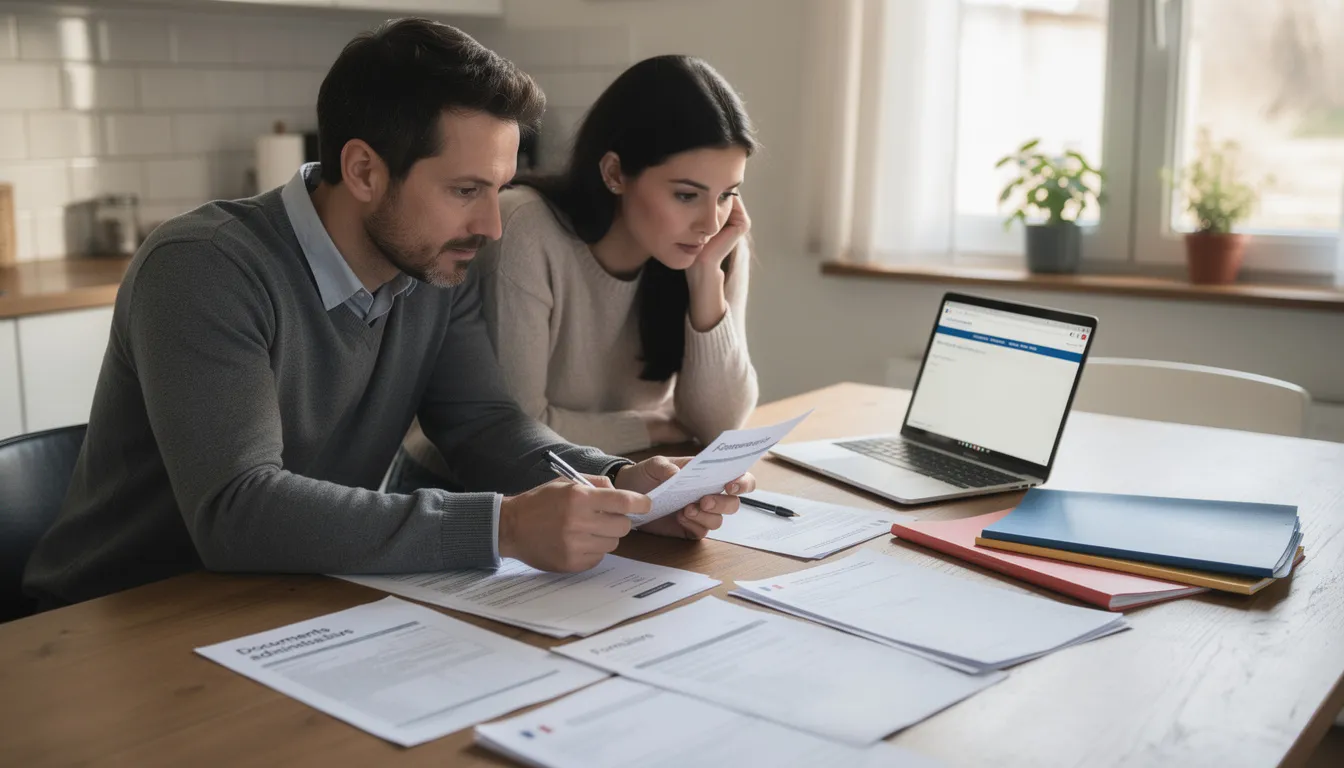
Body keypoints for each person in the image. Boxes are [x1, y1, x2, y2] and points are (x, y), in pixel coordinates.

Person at [23, 19, 751, 610]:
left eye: (498, 188)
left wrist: (620, 477)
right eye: (466, 189)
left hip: (291, 597)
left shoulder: (432, 263)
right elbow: (238, 510)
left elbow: (484, 425)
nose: (494, 226)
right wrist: (501, 526)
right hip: (118, 615)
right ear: (366, 171)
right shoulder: (204, 266)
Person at [397, 55, 759, 488]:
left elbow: (720, 428)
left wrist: (705, 281)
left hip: (612, 480)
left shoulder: (711, 247)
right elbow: (517, 431)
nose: (710, 222)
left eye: (726, 196)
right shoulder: (526, 229)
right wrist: (654, 426)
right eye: (686, 195)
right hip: (466, 489)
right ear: (614, 173)